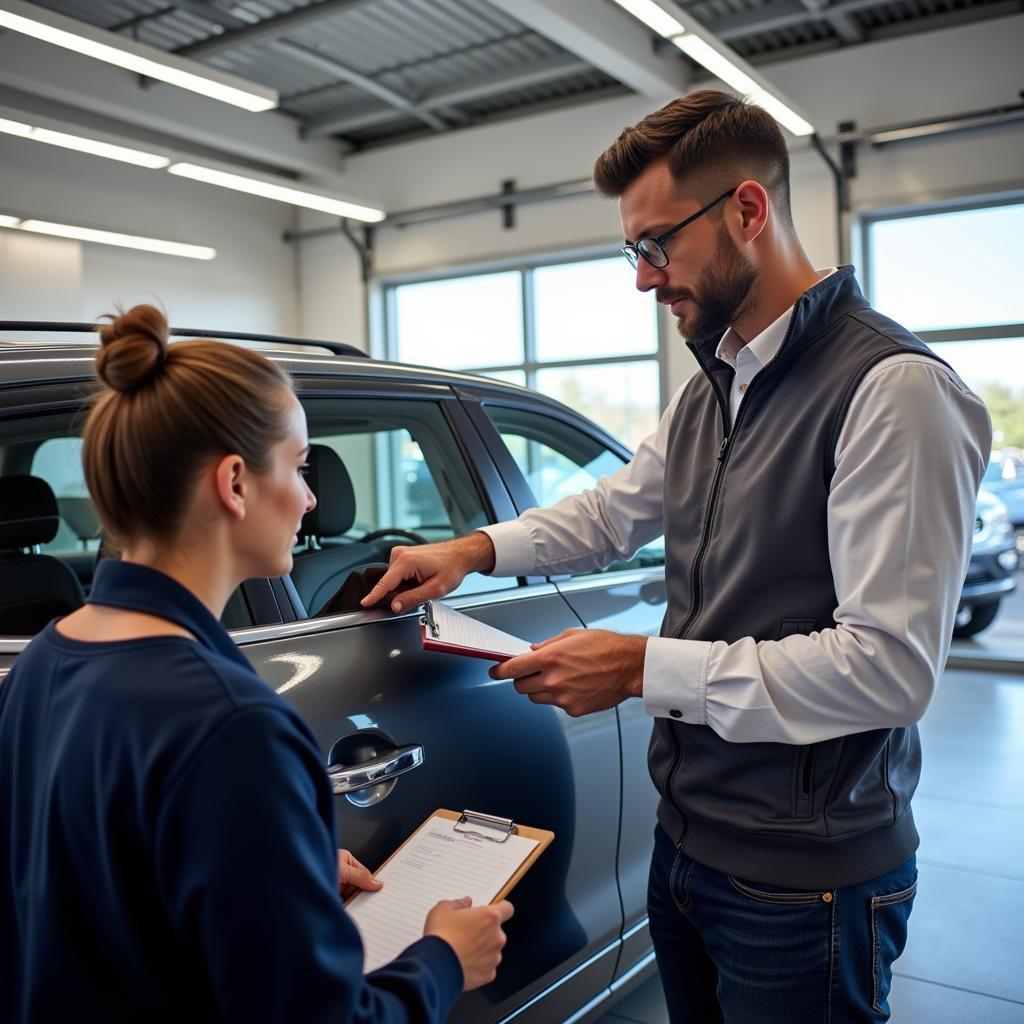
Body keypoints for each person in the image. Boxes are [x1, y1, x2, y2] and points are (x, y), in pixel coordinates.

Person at [360, 91, 991, 1022]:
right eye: (634, 251)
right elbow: (617, 509)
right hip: (690, 847)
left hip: (806, 881)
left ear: (747, 209)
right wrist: (475, 548)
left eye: (658, 245)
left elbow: (888, 671)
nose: (644, 280)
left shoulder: (892, 392)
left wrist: (642, 668)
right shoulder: (716, 384)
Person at [0, 304, 512, 1023]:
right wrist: (440, 964)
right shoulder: (232, 726)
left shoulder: (42, 665)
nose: (309, 498)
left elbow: (87, 895)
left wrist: (278, 872)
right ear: (234, 483)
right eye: (301, 467)